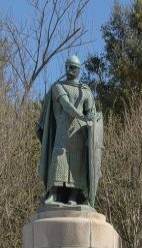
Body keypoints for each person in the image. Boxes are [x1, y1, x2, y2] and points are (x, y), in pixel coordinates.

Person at [36, 54, 99, 206]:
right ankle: (53, 193)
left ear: (79, 70)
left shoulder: (86, 91)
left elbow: (91, 113)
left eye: (73, 67)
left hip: (79, 134)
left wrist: (90, 117)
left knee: (77, 164)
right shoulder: (58, 87)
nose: (68, 70)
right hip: (62, 132)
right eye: (67, 66)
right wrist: (81, 116)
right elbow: (66, 105)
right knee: (59, 160)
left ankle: (73, 195)